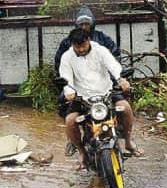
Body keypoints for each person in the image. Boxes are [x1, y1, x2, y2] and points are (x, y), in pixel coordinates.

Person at [59, 28, 142, 168]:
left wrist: (120, 79)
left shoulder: (100, 50)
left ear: (88, 40)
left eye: (83, 46)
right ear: (72, 44)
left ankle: (128, 141)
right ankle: (81, 152)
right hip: (82, 98)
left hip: (106, 92)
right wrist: (69, 91)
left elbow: (113, 65)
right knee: (70, 121)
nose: (80, 49)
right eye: (77, 47)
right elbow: (65, 78)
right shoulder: (67, 57)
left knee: (126, 108)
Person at [54, 6, 120, 75]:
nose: (84, 27)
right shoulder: (68, 41)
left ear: (92, 25)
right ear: (77, 25)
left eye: (87, 24)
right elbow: (59, 62)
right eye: (81, 24)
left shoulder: (102, 38)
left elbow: (115, 55)